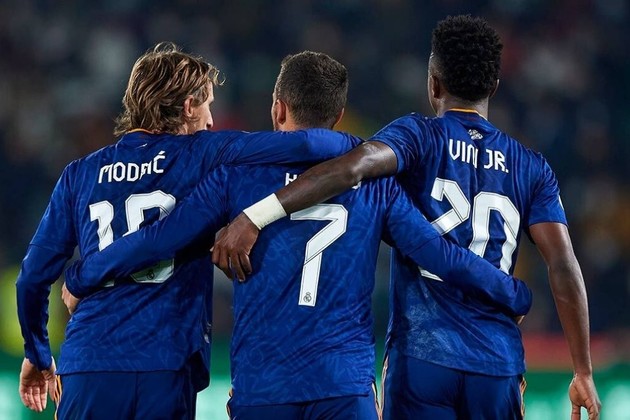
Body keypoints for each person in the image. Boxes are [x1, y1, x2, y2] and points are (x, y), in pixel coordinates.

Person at [62, 51, 532, 420]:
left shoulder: (235, 177)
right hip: (344, 387)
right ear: (339, 114)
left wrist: (84, 276)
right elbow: (440, 255)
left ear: (278, 108)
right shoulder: (375, 184)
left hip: (263, 391)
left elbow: (159, 238)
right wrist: (511, 291)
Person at [213, 15, 602, 420]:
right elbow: (562, 264)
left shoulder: (417, 136)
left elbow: (352, 168)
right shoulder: (531, 166)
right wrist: (583, 369)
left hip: (422, 356)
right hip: (496, 359)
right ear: (494, 87)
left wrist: (257, 215)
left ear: (433, 84)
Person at [15, 43, 361, 419]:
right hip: (166, 361)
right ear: (188, 107)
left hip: (88, 362)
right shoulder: (205, 152)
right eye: (208, 104)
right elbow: (308, 141)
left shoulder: (79, 174)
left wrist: (38, 352)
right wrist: (366, 149)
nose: (211, 120)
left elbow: (32, 278)